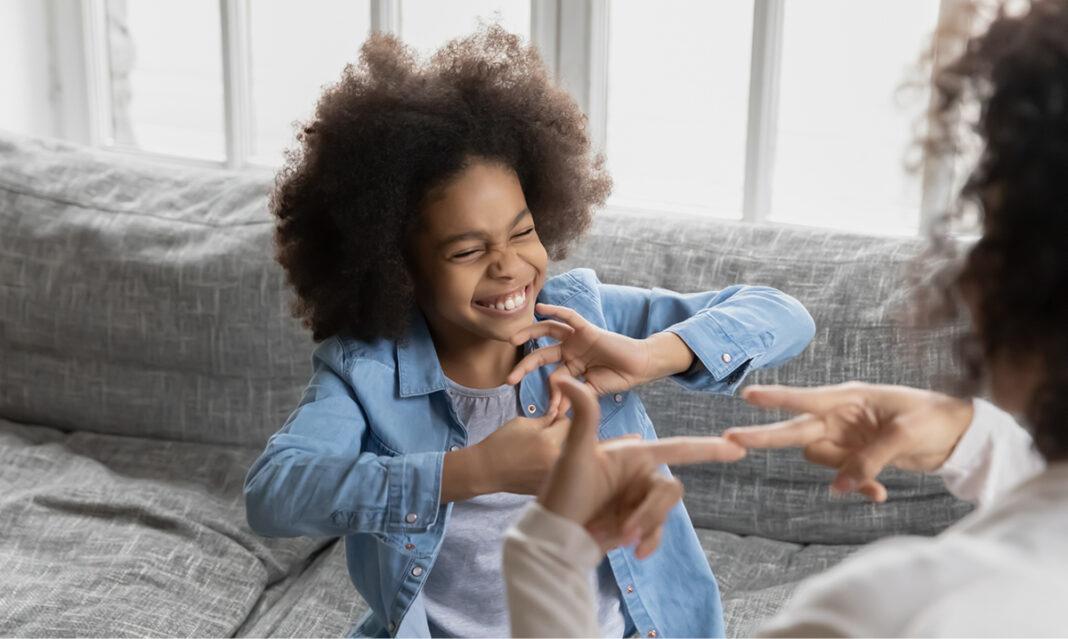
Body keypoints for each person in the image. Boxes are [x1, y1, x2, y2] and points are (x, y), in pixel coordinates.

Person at [502, 0, 1068, 636]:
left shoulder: (898, 608)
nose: (967, 273)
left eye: (989, 229)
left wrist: (546, 554)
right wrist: (978, 439)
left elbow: (780, 313)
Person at [242, 25, 815, 638]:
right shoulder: (365, 373)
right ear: (396, 268)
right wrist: (473, 471)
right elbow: (273, 494)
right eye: (467, 250)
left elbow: (781, 314)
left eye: (521, 232)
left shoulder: (582, 317)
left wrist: (653, 356)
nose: (509, 265)